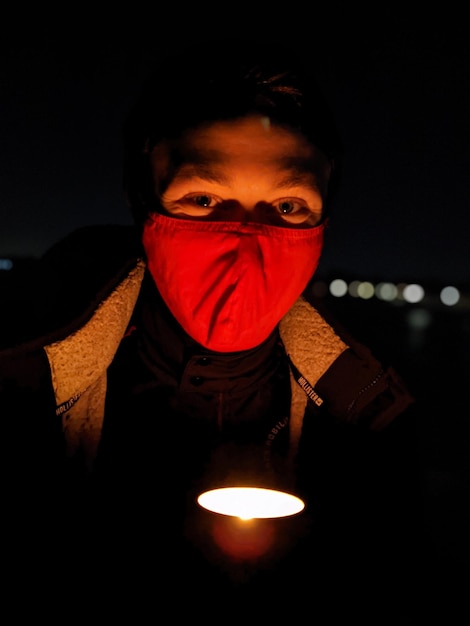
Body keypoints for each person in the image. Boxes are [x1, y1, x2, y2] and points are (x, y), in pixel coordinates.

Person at [0, 38, 417, 619]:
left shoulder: (370, 416)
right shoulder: (18, 386)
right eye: (203, 199)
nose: (244, 244)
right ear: (142, 203)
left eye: (288, 208)